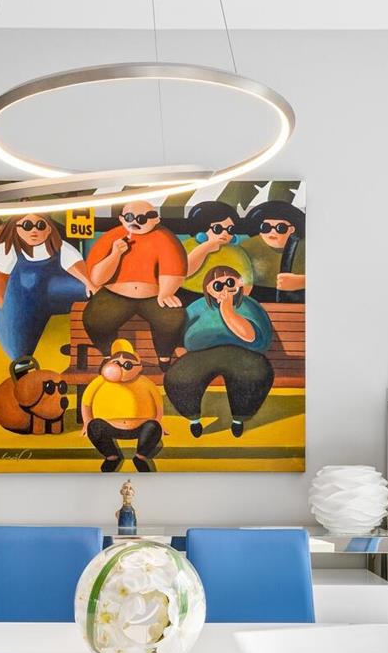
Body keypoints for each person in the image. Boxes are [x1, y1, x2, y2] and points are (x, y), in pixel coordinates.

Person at [164, 267, 277, 439]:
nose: (225, 289)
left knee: (257, 374)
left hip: (243, 354)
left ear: (239, 283)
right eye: (218, 285)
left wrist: (227, 308)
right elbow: (178, 330)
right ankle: (194, 419)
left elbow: (253, 338)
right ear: (208, 289)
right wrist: (179, 347)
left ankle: (239, 419)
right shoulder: (198, 306)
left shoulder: (248, 305)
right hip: (201, 354)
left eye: (230, 282)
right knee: (177, 378)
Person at [82, 200, 188, 368]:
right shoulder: (112, 237)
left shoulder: (164, 237)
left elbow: (174, 267)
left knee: (173, 319)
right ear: (121, 219)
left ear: (156, 219)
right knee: (94, 319)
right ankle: (109, 354)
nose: (136, 222)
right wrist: (115, 254)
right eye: (130, 217)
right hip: (115, 294)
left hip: (154, 296)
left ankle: (164, 356)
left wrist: (166, 292)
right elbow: (97, 278)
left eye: (143, 218)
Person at [0, 213, 91, 375]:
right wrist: (7, 307)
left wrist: (89, 284)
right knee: (19, 342)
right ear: (16, 228)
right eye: (27, 226)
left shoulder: (61, 248)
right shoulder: (6, 250)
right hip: (22, 301)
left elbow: (76, 267)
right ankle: (22, 367)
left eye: (40, 226)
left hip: (54, 292)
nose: (34, 231)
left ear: (49, 229)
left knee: (88, 293)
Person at [78, 338, 165, 472]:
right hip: (109, 426)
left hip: (140, 427)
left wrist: (158, 420)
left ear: (138, 366)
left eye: (127, 365)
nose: (120, 368)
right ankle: (112, 456)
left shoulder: (145, 381)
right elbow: (86, 402)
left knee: (154, 427)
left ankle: (140, 457)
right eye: (116, 363)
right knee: (94, 427)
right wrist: (87, 421)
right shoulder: (100, 381)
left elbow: (158, 402)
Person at [178, 200, 254, 297]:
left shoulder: (237, 252)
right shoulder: (187, 246)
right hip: (187, 294)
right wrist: (205, 248)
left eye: (230, 229)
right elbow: (181, 273)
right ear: (202, 227)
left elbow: (247, 281)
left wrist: (238, 299)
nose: (225, 233)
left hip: (227, 297)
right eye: (217, 228)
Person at [235, 200, 305, 302]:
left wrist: (302, 281)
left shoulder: (304, 247)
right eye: (266, 227)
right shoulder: (248, 246)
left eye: (280, 228)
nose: (272, 232)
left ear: (292, 229)